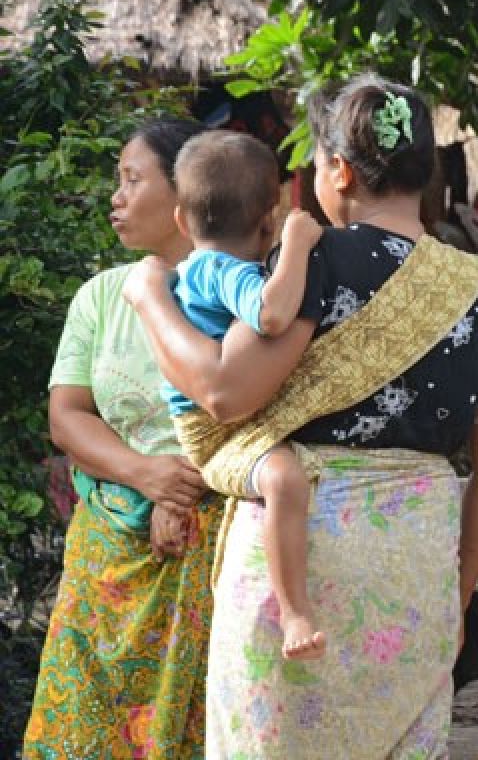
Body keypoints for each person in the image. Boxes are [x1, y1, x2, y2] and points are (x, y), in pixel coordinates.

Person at [123, 73, 478, 759]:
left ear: (336, 170)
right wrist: (454, 597)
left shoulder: (303, 260)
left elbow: (226, 394)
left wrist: (150, 299)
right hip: (417, 565)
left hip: (297, 568)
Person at [24, 118, 218, 759]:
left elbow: (243, 405)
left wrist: (180, 493)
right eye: (117, 181)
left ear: (185, 193)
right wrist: (146, 475)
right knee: (80, 726)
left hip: (208, 556)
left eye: (133, 180)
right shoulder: (101, 297)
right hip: (105, 554)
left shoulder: (242, 296)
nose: (117, 197)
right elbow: (67, 417)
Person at [165, 129, 328, 659]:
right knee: (284, 477)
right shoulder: (221, 271)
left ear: (181, 221)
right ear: (268, 221)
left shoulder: (195, 267)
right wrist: (298, 246)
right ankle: (294, 611)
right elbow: (273, 312)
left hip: (218, 420)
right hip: (214, 432)